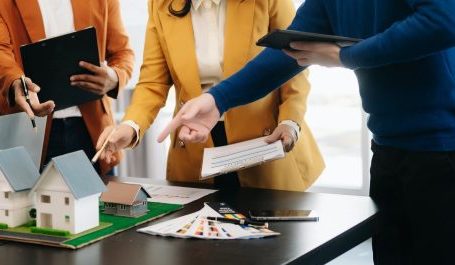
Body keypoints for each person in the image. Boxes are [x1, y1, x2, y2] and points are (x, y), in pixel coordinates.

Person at [159, 0, 455, 265]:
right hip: (389, 147)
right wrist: (218, 100)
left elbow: (446, 23)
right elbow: (290, 48)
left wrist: (345, 56)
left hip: (446, 148)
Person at [96, 0, 324, 193]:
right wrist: (130, 126)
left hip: (265, 143)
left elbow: (294, 63)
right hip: (195, 145)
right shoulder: (161, 4)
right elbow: (153, 82)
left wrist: (290, 122)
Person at [0, 0, 134, 174]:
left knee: (97, 201)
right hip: (24, 128)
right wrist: (15, 82)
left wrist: (114, 77)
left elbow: (122, 52)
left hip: (91, 130)